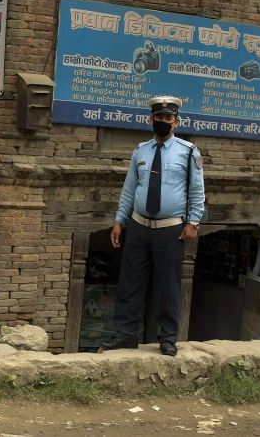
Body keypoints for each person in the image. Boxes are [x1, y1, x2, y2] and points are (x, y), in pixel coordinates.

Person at [100, 96, 205, 357]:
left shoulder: (189, 151)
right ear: (151, 120)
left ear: (176, 122)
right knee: (129, 282)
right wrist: (119, 220)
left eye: (168, 119)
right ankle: (125, 334)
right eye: (158, 118)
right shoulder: (140, 151)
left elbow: (197, 190)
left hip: (171, 229)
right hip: (138, 226)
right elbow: (129, 189)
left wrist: (193, 222)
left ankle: (168, 338)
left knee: (168, 285)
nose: (163, 122)